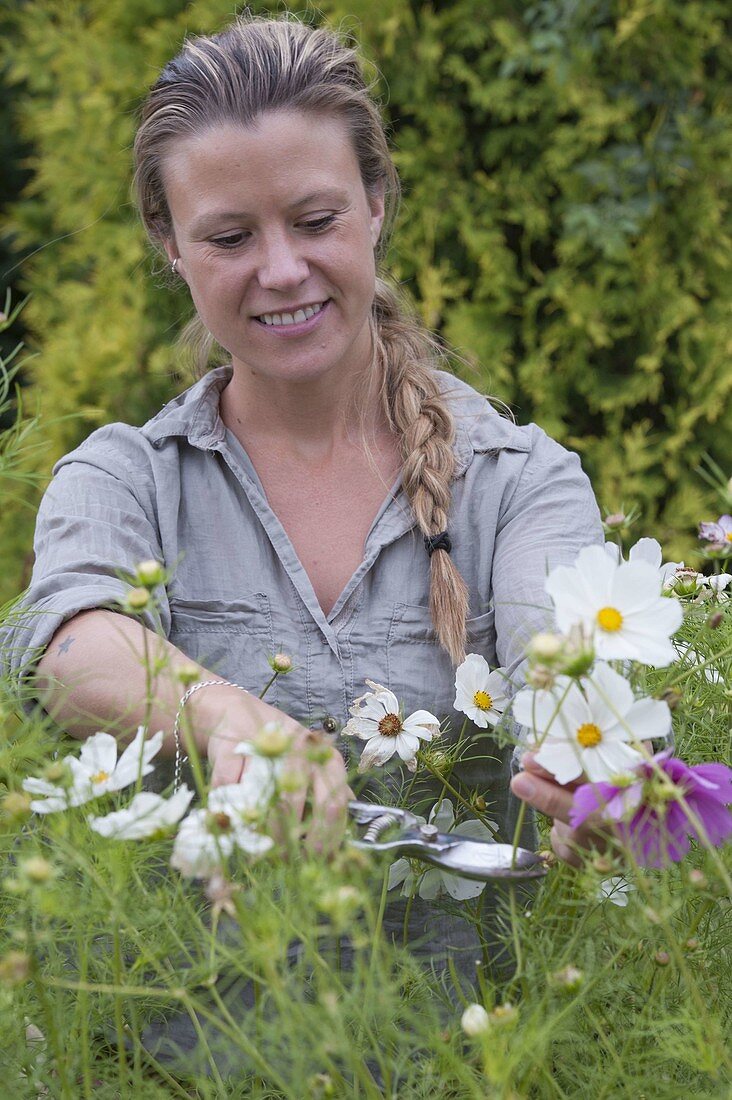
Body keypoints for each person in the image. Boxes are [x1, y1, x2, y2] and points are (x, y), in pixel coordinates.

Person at [2, 11, 602, 1012]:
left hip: (474, 1065)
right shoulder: (127, 479)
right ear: (170, 243)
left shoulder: (517, 480)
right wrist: (238, 720)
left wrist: (586, 753)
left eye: (316, 221)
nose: (281, 270)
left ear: (376, 202)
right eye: (231, 237)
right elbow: (67, 644)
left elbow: (566, 644)